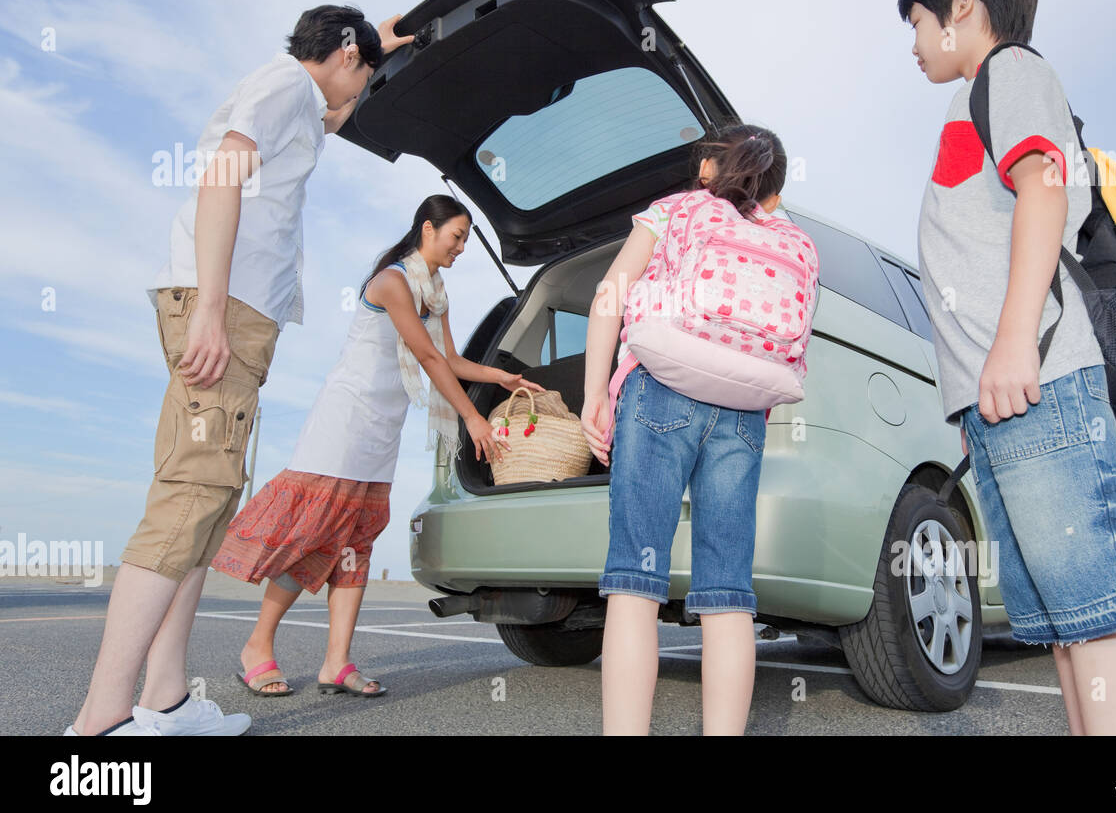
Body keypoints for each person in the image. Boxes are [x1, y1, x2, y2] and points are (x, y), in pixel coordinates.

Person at [65, 5, 415, 736]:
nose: (356, 91)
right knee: (190, 498)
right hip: (224, 304)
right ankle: (101, 721)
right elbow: (224, 174)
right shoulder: (286, 84)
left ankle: (164, 699)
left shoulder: (304, 103)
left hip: (241, 311)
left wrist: (379, 44)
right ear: (343, 50)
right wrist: (212, 310)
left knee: (210, 505)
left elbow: (337, 114)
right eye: (364, 65)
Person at [899, 0, 1116, 734]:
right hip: (1009, 403)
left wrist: (1013, 343)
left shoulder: (1009, 72)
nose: (912, 43)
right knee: (1062, 628)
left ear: (962, 4)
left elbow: (1043, 190)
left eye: (915, 21)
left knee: (1099, 616)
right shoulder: (982, 91)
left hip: (1037, 377)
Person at [209, 196, 542, 697]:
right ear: (428, 230)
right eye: (456, 237)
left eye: (466, 240)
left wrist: (504, 377)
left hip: (382, 427)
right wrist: (472, 417)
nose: (461, 248)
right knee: (312, 534)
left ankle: (337, 663)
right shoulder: (391, 282)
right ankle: (257, 646)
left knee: (354, 545)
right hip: (342, 422)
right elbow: (427, 355)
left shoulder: (436, 290)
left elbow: (450, 358)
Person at [581, 123, 806, 735]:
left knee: (635, 582)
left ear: (710, 170)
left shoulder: (676, 208)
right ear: (774, 192)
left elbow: (611, 296)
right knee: (729, 593)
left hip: (661, 388)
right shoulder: (791, 237)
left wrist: (594, 394)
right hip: (742, 411)